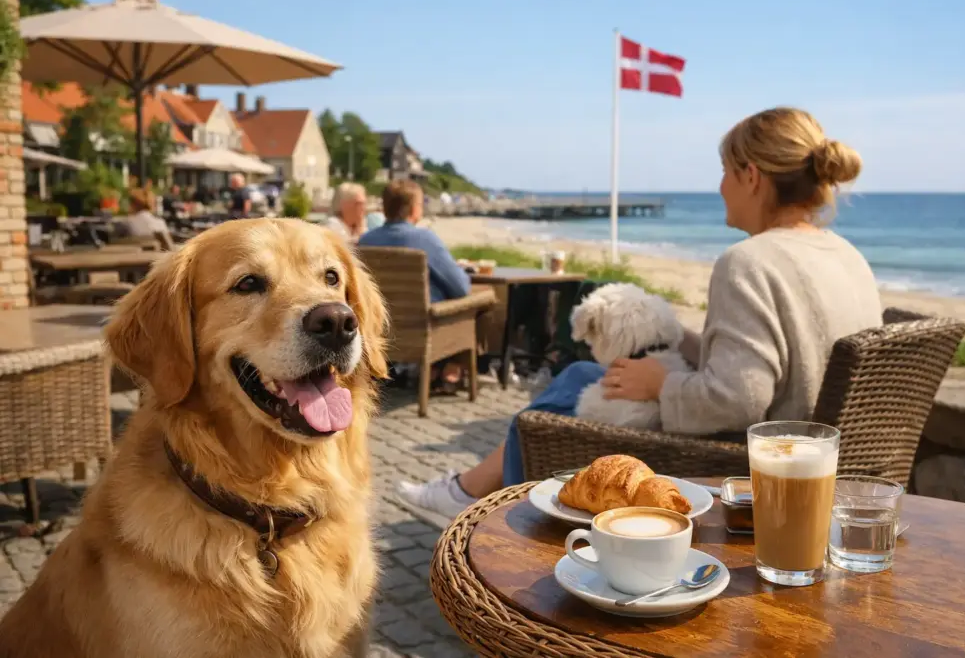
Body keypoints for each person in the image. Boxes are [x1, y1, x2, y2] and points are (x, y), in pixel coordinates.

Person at [399, 106, 884, 521]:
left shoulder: (749, 262)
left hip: (749, 471)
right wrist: (674, 335)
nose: (720, 187)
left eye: (724, 172)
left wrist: (659, 383)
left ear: (751, 177)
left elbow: (739, 400)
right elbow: (782, 359)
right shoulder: (848, 256)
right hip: (819, 463)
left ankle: (494, 509)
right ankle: (471, 488)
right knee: (582, 374)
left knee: (560, 401)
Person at [359, 180, 472, 386]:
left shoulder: (365, 241)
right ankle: (449, 369)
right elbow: (461, 288)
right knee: (476, 304)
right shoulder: (424, 239)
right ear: (414, 208)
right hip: (423, 329)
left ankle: (435, 371)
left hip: (381, 329)